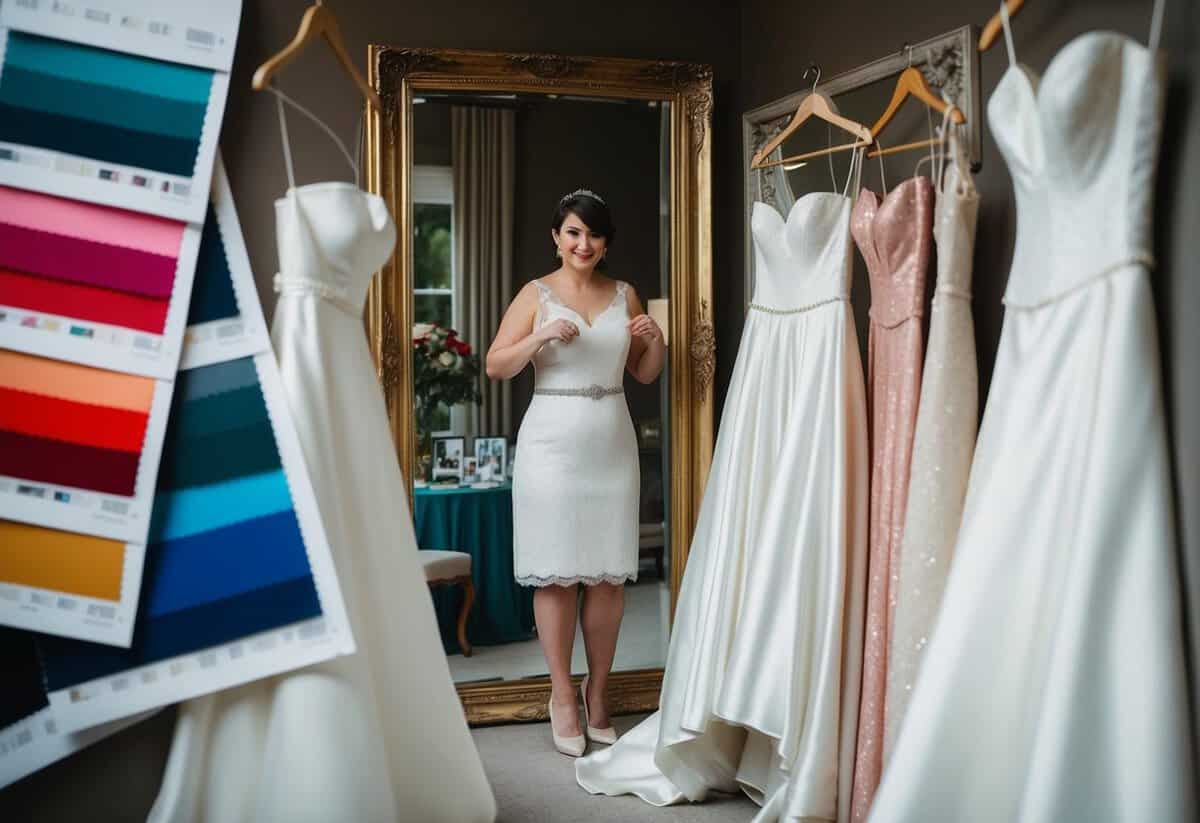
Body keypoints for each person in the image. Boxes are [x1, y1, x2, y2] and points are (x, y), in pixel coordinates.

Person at [486, 189, 665, 756]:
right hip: (551, 447)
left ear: (606, 241)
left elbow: (643, 374)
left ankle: (600, 691)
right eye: (572, 232)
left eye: (593, 234)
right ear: (557, 238)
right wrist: (539, 334)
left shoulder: (625, 293)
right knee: (558, 575)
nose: (583, 243)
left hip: (612, 440)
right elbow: (495, 364)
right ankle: (562, 694)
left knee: (609, 576)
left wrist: (655, 341)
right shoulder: (535, 294)